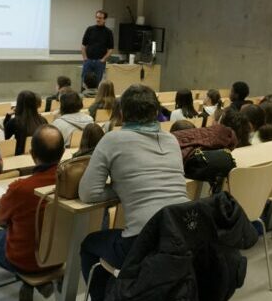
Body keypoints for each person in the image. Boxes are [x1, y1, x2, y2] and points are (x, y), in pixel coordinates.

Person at [79, 84, 189, 301]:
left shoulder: (112, 140)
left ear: (122, 113)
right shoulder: (171, 140)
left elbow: (88, 194)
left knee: (89, 244)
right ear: (155, 112)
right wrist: (129, 187)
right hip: (183, 232)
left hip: (144, 242)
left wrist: (122, 188)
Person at [0, 125, 65, 300]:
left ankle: (27, 282)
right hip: (59, 256)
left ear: (32, 154)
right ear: (62, 153)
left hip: (25, 260)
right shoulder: (72, 182)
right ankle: (40, 284)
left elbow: (1, 218)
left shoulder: (20, 189)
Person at [4, 90, 47, 156]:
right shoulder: (43, 120)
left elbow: (6, 138)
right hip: (40, 155)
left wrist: (7, 117)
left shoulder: (14, 122)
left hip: (20, 157)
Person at [81, 10, 114, 87]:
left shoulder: (108, 32)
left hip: (99, 62)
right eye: (97, 17)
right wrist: (85, 58)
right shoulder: (90, 29)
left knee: (97, 83)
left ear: (104, 19)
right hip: (88, 61)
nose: (98, 19)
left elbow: (110, 49)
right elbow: (83, 45)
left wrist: (103, 60)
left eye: (100, 18)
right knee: (84, 82)